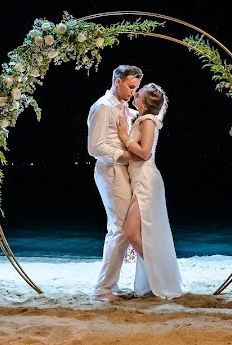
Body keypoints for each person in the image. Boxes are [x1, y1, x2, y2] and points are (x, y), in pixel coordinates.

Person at [116, 83, 183, 299]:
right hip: (140, 180)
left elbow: (144, 153)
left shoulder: (147, 121)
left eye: (140, 92)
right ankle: (158, 278)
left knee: (132, 233)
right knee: (145, 234)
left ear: (145, 103)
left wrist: (124, 136)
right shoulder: (143, 118)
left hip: (146, 181)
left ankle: (161, 276)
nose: (136, 93)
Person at [87, 64, 143, 303]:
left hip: (122, 171)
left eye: (136, 88)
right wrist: (127, 156)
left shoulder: (123, 107)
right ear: (117, 81)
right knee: (120, 229)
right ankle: (103, 289)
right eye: (131, 86)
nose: (133, 92)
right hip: (110, 170)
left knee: (121, 228)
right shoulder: (102, 107)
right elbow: (95, 147)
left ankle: (111, 284)